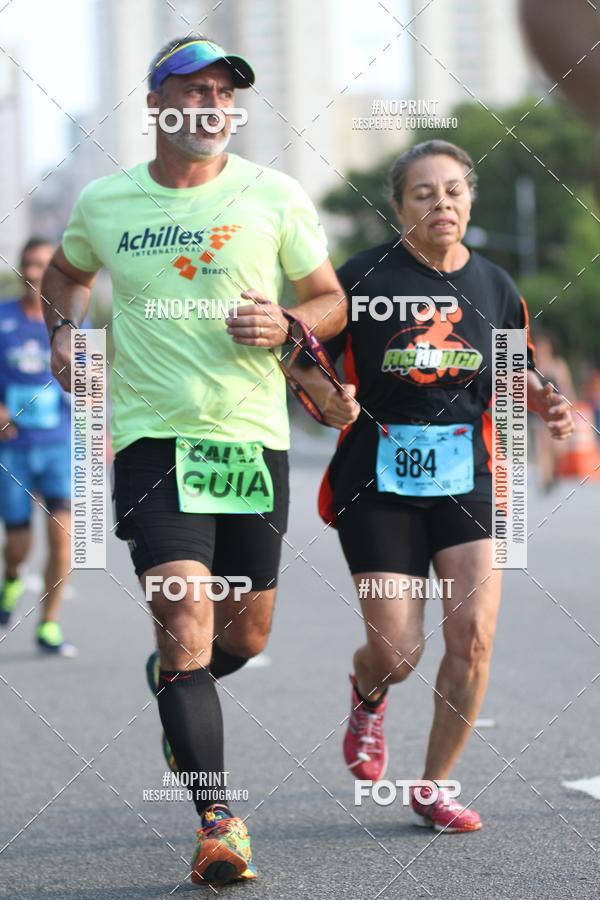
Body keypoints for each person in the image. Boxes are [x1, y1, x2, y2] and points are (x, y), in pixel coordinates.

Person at [42, 35, 345, 885]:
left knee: (243, 635)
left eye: (223, 94)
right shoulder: (106, 201)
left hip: (252, 442)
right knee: (188, 628)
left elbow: (331, 300)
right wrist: (65, 334)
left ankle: (174, 686)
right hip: (151, 442)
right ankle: (218, 820)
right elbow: (63, 277)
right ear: (154, 104)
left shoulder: (272, 194)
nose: (211, 107)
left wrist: (291, 325)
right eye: (194, 91)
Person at [300, 140, 574, 832]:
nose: (441, 203)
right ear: (398, 207)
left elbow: (515, 370)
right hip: (378, 478)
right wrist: (328, 398)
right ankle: (368, 694)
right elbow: (303, 357)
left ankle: (434, 785)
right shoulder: (359, 278)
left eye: (453, 190)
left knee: (473, 638)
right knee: (397, 652)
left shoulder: (494, 285)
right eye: (423, 193)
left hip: (470, 477)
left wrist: (544, 399)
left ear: (470, 201)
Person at [0, 237, 76, 657]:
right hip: (13, 450)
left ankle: (49, 623)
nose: (34, 274)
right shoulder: (2, 319)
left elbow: (91, 389)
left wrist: (100, 436)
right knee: (17, 546)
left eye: (44, 267)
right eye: (29, 265)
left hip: (58, 448)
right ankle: (11, 578)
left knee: (62, 536)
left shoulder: (73, 325)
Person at [532, 332, 576, 492]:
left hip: (556, 410)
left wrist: (571, 405)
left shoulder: (558, 365)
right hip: (539, 412)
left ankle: (555, 472)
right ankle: (545, 479)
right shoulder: (534, 365)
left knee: (559, 448)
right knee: (542, 446)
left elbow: (566, 387)